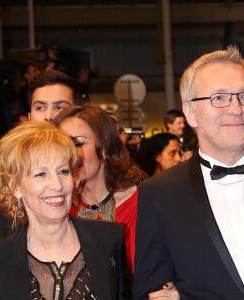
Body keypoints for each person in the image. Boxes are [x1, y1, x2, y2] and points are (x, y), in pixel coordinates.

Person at [133, 46, 244, 300]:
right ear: (190, 112)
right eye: (219, 98)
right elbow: (149, 290)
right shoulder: (159, 194)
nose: (235, 109)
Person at [53, 105, 179, 298]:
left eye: (78, 144)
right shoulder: (58, 209)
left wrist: (179, 291)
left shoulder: (146, 202)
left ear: (104, 148)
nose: (69, 154)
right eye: (61, 146)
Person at [0, 121, 131, 299]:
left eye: (63, 171)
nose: (57, 185)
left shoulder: (109, 239)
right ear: (15, 186)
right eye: (41, 174)